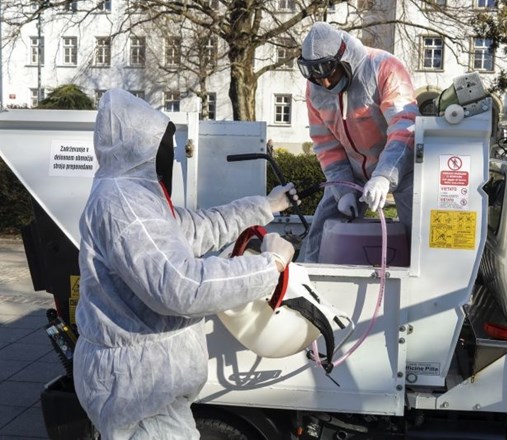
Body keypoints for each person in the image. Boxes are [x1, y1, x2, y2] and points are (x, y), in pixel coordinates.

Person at [73, 88, 298, 439]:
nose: (168, 155)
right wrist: (269, 266)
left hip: (146, 384)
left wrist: (266, 206)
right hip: (139, 390)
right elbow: (181, 285)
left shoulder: (136, 195)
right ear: (139, 146)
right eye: (162, 146)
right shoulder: (124, 205)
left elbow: (194, 228)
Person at [296, 22, 419, 263]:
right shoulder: (315, 90)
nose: (326, 85)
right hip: (350, 174)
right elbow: (325, 144)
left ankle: (416, 294)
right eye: (318, 79)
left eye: (330, 74)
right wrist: (342, 191)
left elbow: (404, 127)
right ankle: (303, 291)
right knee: (321, 231)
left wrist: (384, 175)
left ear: (344, 59)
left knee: (418, 238)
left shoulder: (384, 68)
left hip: (404, 170)